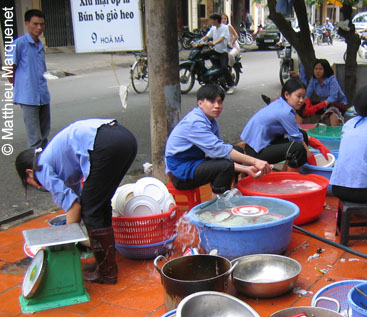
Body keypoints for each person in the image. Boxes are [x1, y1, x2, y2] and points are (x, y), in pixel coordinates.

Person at [15, 119, 138, 284]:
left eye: (29, 182)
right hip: (125, 138)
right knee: (98, 203)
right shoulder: (55, 161)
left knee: (92, 208)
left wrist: (64, 242)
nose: (37, 186)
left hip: (104, 143)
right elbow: (79, 200)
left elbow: (75, 207)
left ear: (29, 173)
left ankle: (106, 272)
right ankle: (105, 263)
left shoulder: (41, 170)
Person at [166, 84, 271, 195]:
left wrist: (247, 168)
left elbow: (217, 153)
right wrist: (254, 162)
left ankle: (229, 192)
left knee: (237, 152)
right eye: (212, 102)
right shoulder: (195, 123)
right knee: (225, 166)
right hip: (180, 174)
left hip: (195, 162)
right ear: (200, 103)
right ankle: (218, 202)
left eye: (220, 102)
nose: (217, 106)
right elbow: (219, 150)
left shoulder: (210, 120)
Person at [242, 78, 331, 172]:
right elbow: (298, 140)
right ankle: (290, 181)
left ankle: (287, 171)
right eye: (298, 96)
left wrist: (316, 144)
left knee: (302, 136)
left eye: (303, 97)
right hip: (256, 151)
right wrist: (311, 160)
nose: (301, 100)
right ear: (287, 95)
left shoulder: (281, 104)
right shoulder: (285, 112)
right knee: (297, 150)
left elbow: (298, 133)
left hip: (259, 144)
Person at [11, 9, 50, 149]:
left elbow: (41, 71)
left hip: (43, 96)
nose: (39, 28)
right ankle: (34, 167)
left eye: (41, 24)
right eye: (35, 24)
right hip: (28, 97)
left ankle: (44, 164)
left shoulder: (40, 46)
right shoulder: (19, 44)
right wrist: (19, 88)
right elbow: (10, 69)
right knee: (35, 138)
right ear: (27, 24)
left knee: (44, 134)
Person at [301, 59, 348, 126]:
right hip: (324, 104)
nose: (317, 71)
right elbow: (307, 95)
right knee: (301, 107)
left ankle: (334, 132)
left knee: (332, 110)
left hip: (337, 103)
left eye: (320, 69)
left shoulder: (332, 79)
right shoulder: (313, 80)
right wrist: (305, 104)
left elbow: (333, 97)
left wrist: (319, 106)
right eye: (316, 69)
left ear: (325, 70)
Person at [201, 13, 235, 94]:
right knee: (201, 55)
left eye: (211, 19)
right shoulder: (213, 28)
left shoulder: (225, 28)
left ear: (216, 20)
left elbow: (222, 38)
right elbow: (206, 37)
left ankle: (231, 85)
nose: (210, 21)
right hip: (215, 50)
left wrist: (214, 43)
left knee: (224, 67)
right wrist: (197, 42)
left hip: (223, 52)